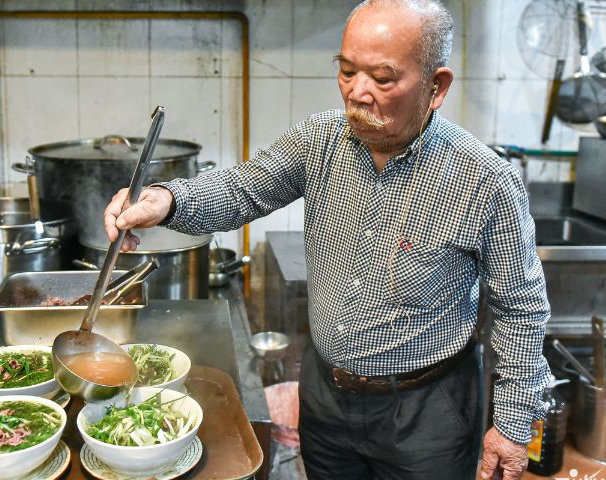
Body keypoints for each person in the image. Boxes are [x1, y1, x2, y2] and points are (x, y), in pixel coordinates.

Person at [104, 1, 551, 478]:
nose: (357, 93)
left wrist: (511, 424)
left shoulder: (485, 179)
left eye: (382, 79)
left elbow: (520, 309)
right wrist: (166, 200)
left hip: (427, 413)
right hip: (326, 396)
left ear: (435, 86)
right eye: (347, 71)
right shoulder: (318, 141)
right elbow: (240, 189)